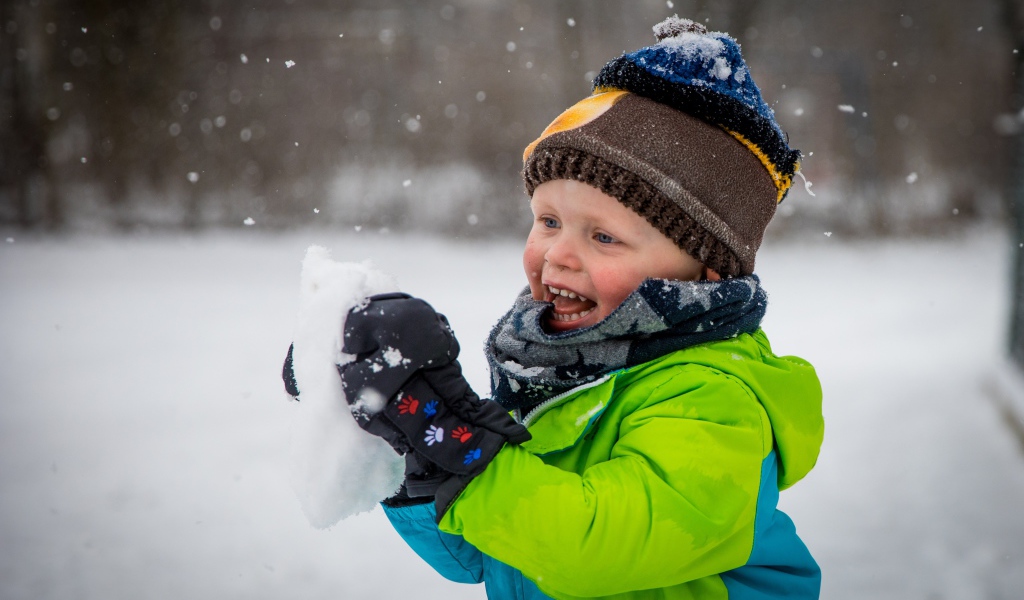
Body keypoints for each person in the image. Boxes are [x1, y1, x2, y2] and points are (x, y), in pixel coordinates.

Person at [291, 16, 824, 599]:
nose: (557, 256)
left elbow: (592, 547)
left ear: (704, 271)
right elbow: (479, 557)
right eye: (548, 222)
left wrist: (464, 443)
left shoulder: (712, 399)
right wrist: (414, 443)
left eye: (603, 237)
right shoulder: (558, 370)